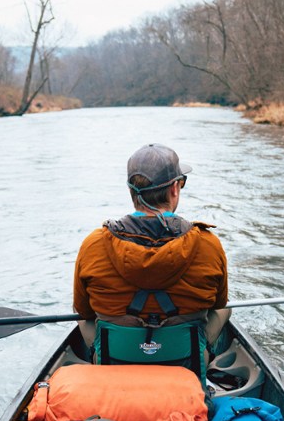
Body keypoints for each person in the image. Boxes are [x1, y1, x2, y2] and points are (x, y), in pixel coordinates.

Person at [73, 143, 230, 361]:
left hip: (117, 357)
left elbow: (84, 310)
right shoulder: (208, 244)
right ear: (175, 188)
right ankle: (201, 361)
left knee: (82, 317)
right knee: (226, 310)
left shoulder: (93, 244)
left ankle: (100, 362)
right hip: (183, 355)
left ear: (131, 191)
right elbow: (218, 303)